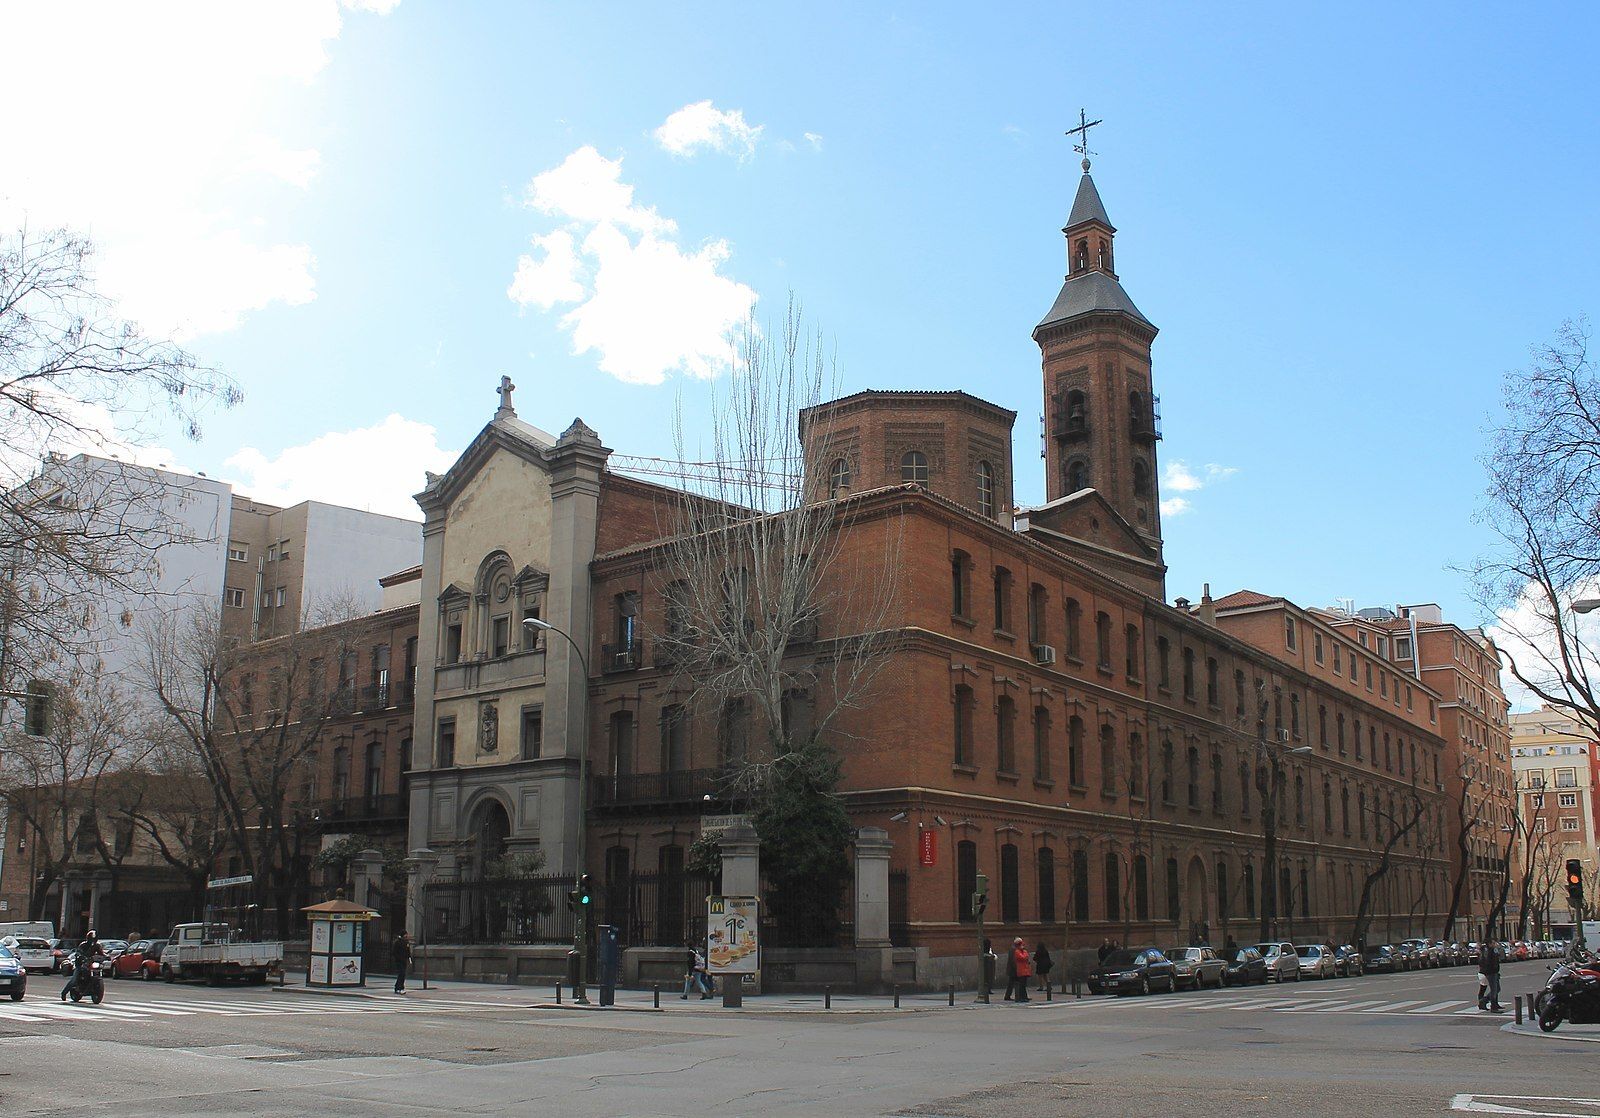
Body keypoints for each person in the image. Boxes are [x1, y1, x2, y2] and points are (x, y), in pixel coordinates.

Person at [61, 930, 103, 1002]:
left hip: (90, 963)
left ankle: (93, 988)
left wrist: (106, 956)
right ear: (88, 939)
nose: (92, 941)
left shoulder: (97, 945)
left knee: (97, 969)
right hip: (80, 964)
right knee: (74, 980)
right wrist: (80, 956)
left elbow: (101, 953)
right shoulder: (83, 945)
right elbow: (78, 952)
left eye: (94, 940)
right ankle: (64, 993)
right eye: (91, 940)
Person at [1478, 940, 1503, 1012]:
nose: (1495, 944)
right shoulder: (1488, 950)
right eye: (1493, 943)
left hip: (1492, 971)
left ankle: (1494, 1003)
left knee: (1497, 989)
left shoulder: (1488, 950)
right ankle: (1492, 1006)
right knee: (1494, 989)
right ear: (1489, 944)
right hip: (1490, 972)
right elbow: (1489, 962)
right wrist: (1492, 970)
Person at [1006, 937, 1033, 1002]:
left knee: (1020, 983)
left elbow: (1026, 956)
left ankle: (1022, 996)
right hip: (1014, 969)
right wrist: (1016, 968)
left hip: (1017, 969)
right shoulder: (1014, 950)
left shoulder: (1020, 950)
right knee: (1015, 983)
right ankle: (1017, 997)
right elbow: (1014, 960)